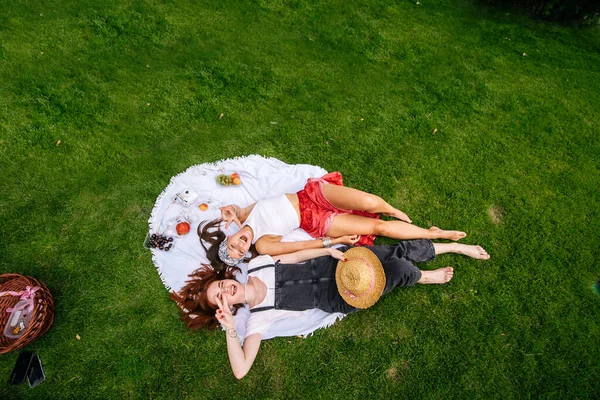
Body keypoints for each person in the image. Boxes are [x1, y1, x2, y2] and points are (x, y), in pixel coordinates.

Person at [171, 240, 490, 379]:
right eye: (221, 299)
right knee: (398, 271)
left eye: (221, 286)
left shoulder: (256, 266)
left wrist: (329, 250)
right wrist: (230, 328)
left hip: (341, 265)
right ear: (225, 308)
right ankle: (425, 276)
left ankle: (453, 247)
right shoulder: (259, 319)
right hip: (342, 293)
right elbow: (240, 370)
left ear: (226, 280)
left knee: (395, 252)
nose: (226, 290)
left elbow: (297, 256)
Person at [199, 171, 467, 271]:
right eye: (240, 252)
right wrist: (336, 240)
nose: (241, 246)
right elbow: (302, 248)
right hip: (316, 221)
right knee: (378, 227)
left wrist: (230, 209)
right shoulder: (264, 244)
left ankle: (394, 209)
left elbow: (235, 208)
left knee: (373, 203)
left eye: (233, 245)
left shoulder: (242, 216)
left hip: (312, 194)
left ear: (230, 237)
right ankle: (432, 233)